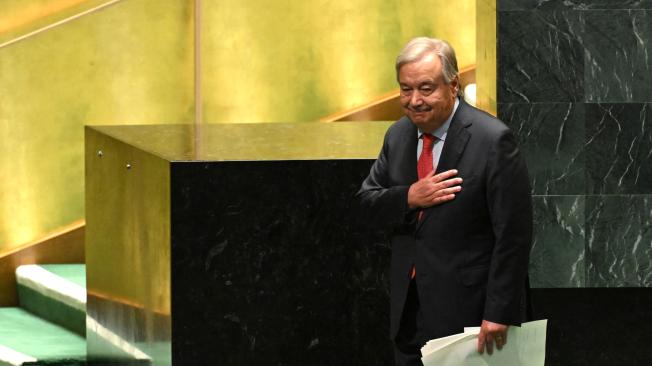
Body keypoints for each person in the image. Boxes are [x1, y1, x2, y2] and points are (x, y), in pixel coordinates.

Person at [356, 37, 533, 366]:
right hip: (409, 310)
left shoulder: (493, 140)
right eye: (405, 89)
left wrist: (499, 311)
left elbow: (514, 235)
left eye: (425, 88)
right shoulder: (397, 136)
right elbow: (367, 204)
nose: (414, 101)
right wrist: (409, 196)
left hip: (470, 313)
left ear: (453, 85)